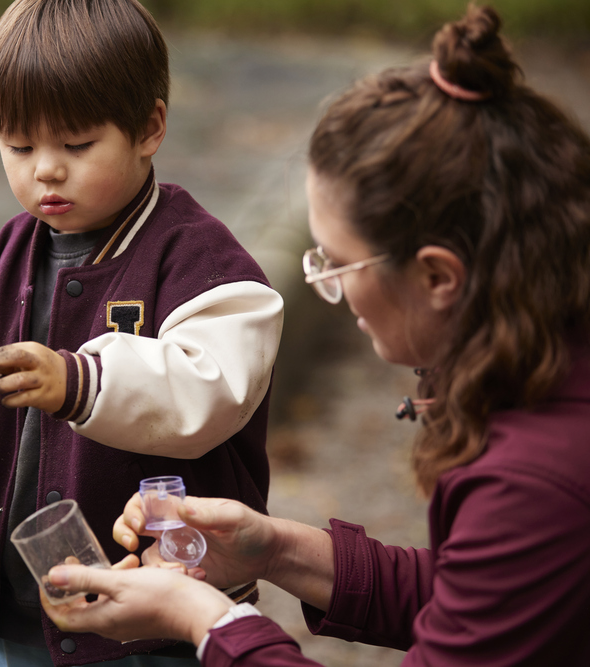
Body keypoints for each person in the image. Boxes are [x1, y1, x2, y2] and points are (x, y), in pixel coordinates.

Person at [36, 5, 590, 666]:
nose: (331, 284)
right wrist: (272, 547)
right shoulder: (550, 375)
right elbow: (465, 594)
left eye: (336, 263)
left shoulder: (533, 481)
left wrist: (208, 620)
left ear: (438, 275)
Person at [0, 0, 284, 664]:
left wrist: (78, 380)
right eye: (19, 146)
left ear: (149, 127)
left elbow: (209, 390)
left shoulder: (204, 267)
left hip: (162, 614)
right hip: (23, 616)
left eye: (76, 144)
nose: (45, 168)